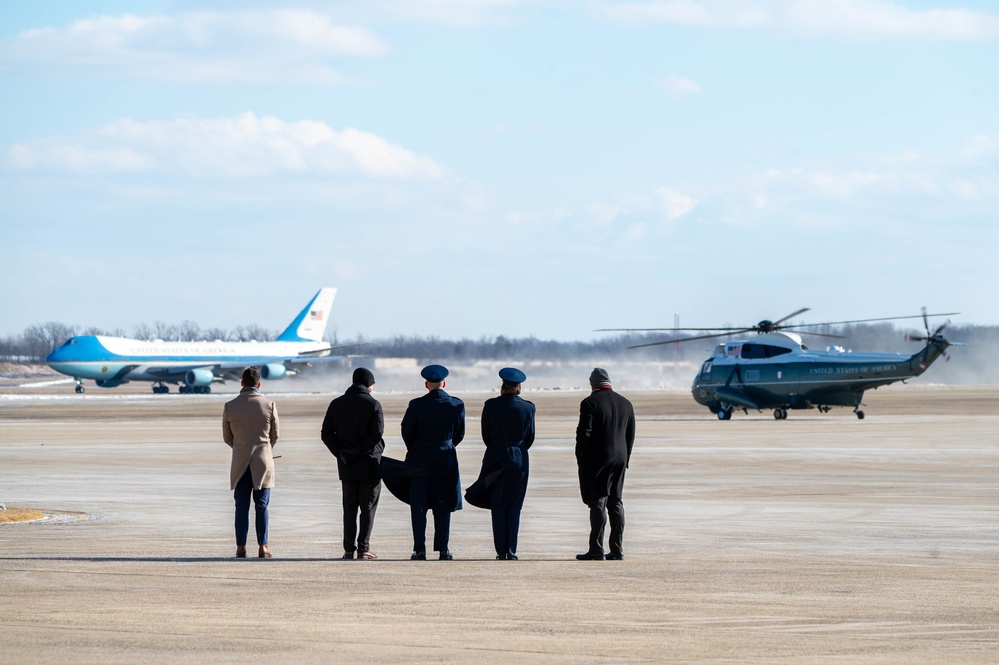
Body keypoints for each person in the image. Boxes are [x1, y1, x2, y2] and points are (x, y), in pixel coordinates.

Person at [466, 367, 535, 560]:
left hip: (495, 455)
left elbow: (485, 435)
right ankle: (511, 550)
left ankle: (500, 550)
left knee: (497, 504)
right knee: (514, 504)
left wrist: (498, 447)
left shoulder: (490, 405)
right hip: (519, 457)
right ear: (519, 387)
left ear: (502, 386)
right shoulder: (528, 407)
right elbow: (530, 437)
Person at [400, 364, 465, 560]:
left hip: (419, 458)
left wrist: (417, 448)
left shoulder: (416, 405)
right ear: (444, 383)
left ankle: (419, 548)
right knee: (443, 504)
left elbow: (407, 432)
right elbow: (459, 434)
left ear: (426, 384)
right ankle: (443, 549)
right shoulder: (456, 405)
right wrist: (445, 445)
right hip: (445, 458)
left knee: (419, 506)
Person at [321, 367, 385, 560]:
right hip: (370, 464)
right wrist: (357, 452)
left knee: (349, 507)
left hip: (346, 465)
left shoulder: (336, 404)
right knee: (368, 507)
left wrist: (341, 453)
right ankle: (363, 548)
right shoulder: (374, 405)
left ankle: (349, 548)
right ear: (369, 385)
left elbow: (326, 434)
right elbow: (376, 435)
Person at [574, 367, 635, 561]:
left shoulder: (589, 403)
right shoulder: (626, 403)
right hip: (620, 457)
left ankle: (596, 549)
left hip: (597, 459)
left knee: (598, 502)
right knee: (615, 501)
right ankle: (617, 550)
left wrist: (580, 456)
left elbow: (584, 434)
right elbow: (630, 435)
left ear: (592, 384)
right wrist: (626, 459)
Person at [223, 366, 279, 559]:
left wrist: (241, 449)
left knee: (241, 507)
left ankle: (241, 546)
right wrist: (263, 449)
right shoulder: (269, 405)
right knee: (262, 506)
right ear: (259, 384)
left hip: (240, 462)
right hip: (263, 462)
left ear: (242, 383)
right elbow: (275, 435)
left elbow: (227, 437)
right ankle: (263, 546)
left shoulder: (230, 406)